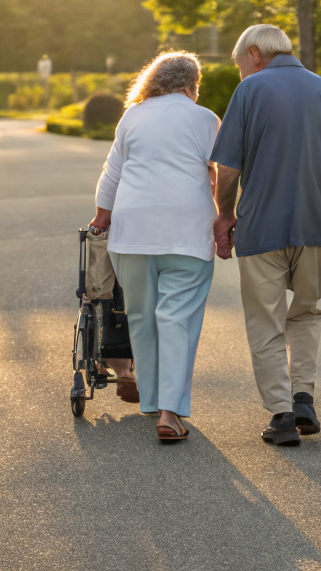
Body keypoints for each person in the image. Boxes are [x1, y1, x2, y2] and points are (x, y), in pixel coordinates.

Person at [210, 25, 321, 446]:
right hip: (317, 226)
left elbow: (228, 169)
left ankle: (281, 416)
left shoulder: (250, 91)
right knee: (307, 313)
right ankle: (304, 400)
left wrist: (224, 216)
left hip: (262, 226)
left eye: (240, 63)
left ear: (255, 53)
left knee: (266, 320)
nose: (241, 72)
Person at [90, 51, 220, 443]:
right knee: (176, 319)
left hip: (132, 231)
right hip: (187, 232)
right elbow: (222, 171)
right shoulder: (204, 118)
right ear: (190, 85)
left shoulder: (133, 116)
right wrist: (226, 217)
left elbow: (111, 173)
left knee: (142, 317)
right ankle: (169, 412)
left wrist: (100, 219)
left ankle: (151, 399)